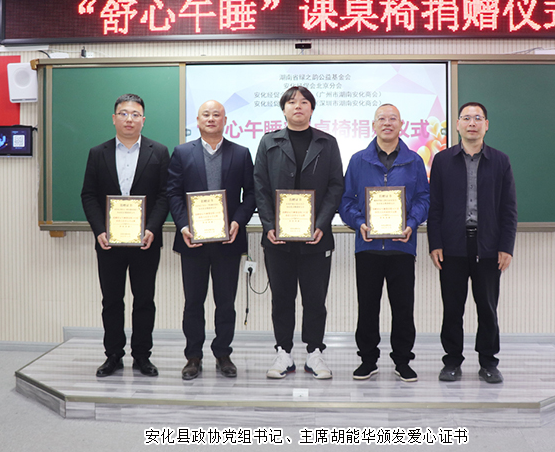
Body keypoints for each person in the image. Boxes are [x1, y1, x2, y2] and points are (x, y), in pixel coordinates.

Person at [253, 86, 344, 380]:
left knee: (315, 299)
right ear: (284, 109)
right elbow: (260, 186)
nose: (298, 106)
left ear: (312, 109)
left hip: (316, 238)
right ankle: (284, 352)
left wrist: (321, 224)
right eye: (292, 102)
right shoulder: (269, 142)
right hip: (277, 240)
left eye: (304, 102)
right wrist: (269, 225)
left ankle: (314, 353)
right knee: (282, 298)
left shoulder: (327, 143)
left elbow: (336, 186)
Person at [428, 101, 517, 384]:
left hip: (488, 246)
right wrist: (435, 243)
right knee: (452, 309)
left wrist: (506, 247)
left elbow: (509, 208)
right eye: (466, 118)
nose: (472, 123)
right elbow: (435, 206)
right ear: (457, 125)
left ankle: (488, 362)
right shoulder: (442, 160)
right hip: (452, 246)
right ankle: (452, 362)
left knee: (487, 309)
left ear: (486, 125)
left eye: (478, 118)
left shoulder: (500, 161)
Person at [81, 93, 170, 378]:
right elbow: (88, 195)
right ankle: (113, 356)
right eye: (123, 113)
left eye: (135, 114)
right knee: (112, 301)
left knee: (144, 301)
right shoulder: (98, 153)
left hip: (145, 242)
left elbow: (165, 195)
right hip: (109, 243)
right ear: (114, 118)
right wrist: (100, 231)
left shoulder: (159, 151)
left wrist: (151, 228)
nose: (129, 119)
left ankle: (142, 356)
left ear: (143, 119)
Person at [339, 104, 429, 382]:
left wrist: (411, 223)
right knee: (367, 307)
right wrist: (359, 223)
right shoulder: (358, 160)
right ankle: (368, 360)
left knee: (403, 307)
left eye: (393, 119)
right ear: (373, 125)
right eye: (382, 118)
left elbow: (424, 199)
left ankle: (403, 360)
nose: (387, 123)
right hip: (368, 247)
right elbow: (346, 201)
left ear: (402, 125)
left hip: (402, 246)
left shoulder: (414, 161)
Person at [166, 100, 255, 380]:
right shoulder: (182, 153)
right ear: (198, 120)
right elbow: (173, 193)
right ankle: (193, 356)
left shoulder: (241, 153)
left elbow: (251, 194)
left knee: (226, 303)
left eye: (217, 114)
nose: (211, 118)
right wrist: (183, 226)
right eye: (206, 114)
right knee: (193, 302)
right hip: (193, 241)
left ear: (225, 120)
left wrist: (237, 221)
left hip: (228, 242)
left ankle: (223, 354)